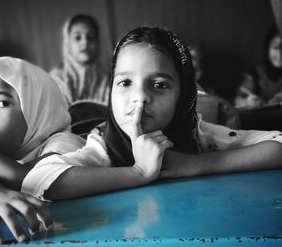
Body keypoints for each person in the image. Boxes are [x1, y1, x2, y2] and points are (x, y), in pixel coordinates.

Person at [16, 26, 282, 201]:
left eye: (158, 85)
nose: (140, 96)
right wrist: (139, 172)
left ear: (183, 96)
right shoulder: (105, 147)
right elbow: (38, 180)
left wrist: (195, 164)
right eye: (124, 82)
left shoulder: (200, 136)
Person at [0, 56, 84, 243]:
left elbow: (37, 180)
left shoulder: (65, 143)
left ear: (37, 108)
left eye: (0, 103)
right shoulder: (2, 154)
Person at [50, 14, 109, 106]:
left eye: (90, 38)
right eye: (78, 38)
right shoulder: (56, 80)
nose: (85, 42)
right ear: (67, 42)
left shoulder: (107, 78)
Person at [235, 28, 282, 108]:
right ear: (268, 47)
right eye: (276, 47)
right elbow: (238, 99)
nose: (280, 54)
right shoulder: (257, 72)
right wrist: (247, 102)